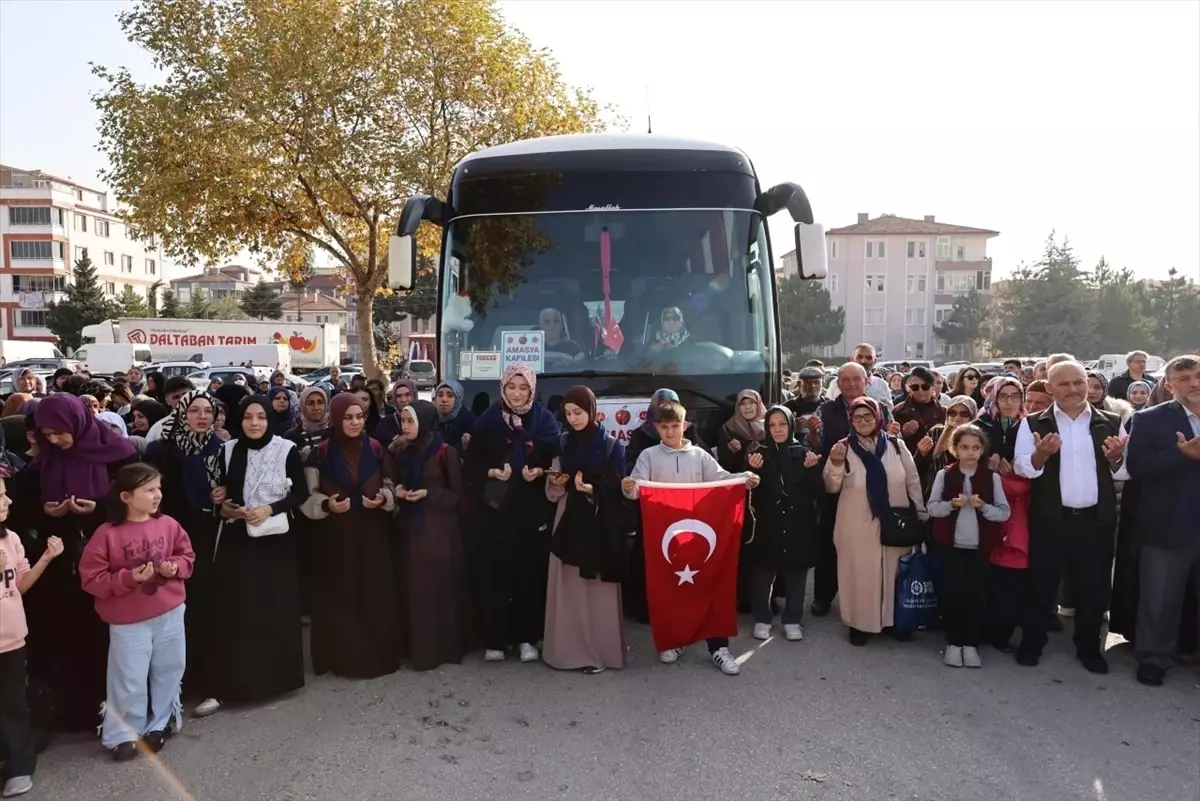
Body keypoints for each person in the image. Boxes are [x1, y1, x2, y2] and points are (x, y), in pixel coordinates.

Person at [14, 395, 139, 731]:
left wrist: (98, 509)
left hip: (110, 561)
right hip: (62, 566)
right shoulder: (43, 463)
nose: (53, 440)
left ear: (77, 423)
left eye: (59, 432)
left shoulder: (119, 455)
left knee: (109, 635)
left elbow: (142, 502)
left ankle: (120, 709)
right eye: (47, 434)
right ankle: (73, 710)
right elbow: (17, 507)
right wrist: (45, 512)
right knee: (67, 634)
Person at [621, 399, 759, 675]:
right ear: (656, 427)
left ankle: (718, 647)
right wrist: (628, 487)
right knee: (671, 589)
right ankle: (676, 639)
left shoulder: (699, 455)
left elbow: (722, 479)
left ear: (685, 426)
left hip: (699, 531)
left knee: (711, 585)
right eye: (665, 427)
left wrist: (743, 477)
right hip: (665, 534)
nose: (670, 432)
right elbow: (636, 490)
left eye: (675, 426)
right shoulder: (648, 456)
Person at [1013, 360, 1128, 673]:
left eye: (1079, 382)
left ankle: (1089, 648)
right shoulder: (1035, 422)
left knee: (1093, 588)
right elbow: (1024, 467)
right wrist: (1041, 455)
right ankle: (1032, 643)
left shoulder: (1111, 420)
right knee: (1041, 586)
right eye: (1064, 384)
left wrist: (1116, 459)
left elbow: (1125, 471)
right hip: (1051, 520)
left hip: (1095, 522)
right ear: (1050, 389)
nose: (1074, 389)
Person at [79, 464, 195, 761]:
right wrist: (130, 578)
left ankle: (162, 723)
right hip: (128, 620)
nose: (157, 495)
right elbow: (91, 578)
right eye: (149, 490)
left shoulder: (168, 524)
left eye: (158, 488)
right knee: (128, 676)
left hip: (169, 611)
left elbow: (187, 556)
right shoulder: (106, 534)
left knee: (170, 667)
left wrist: (175, 567)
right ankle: (122, 734)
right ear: (126, 496)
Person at [205, 395, 308, 715]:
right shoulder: (227, 450)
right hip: (238, 538)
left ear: (269, 419)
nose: (254, 423)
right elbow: (222, 494)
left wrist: (269, 509)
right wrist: (222, 505)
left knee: (273, 609)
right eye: (248, 416)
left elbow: (301, 493)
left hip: (274, 540)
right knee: (235, 611)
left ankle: (276, 680)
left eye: (261, 417)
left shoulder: (285, 450)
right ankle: (231, 685)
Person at [301, 393, 401, 679]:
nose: (355, 422)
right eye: (348, 417)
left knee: (373, 593)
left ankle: (377, 655)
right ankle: (339, 656)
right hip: (335, 537)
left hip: (372, 535)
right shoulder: (318, 453)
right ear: (336, 418)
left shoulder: (376, 448)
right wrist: (327, 505)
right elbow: (309, 495)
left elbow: (390, 483)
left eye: (359, 416)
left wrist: (383, 498)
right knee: (340, 594)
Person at [463, 364, 559, 663]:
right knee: (495, 574)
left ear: (532, 390)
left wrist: (539, 473)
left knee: (528, 576)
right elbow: (470, 466)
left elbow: (557, 464)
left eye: (523, 388)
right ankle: (496, 638)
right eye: (511, 387)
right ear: (502, 388)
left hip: (531, 511)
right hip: (495, 512)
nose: (517, 394)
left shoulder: (544, 421)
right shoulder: (489, 420)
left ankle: (527, 638)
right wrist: (491, 471)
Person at [822, 397, 927, 646]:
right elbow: (831, 486)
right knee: (861, 575)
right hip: (856, 524)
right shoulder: (842, 448)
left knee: (895, 573)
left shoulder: (896, 446)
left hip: (895, 521)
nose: (863, 422)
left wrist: (921, 514)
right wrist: (836, 464)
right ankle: (861, 624)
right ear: (851, 420)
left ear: (878, 417)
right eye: (857, 417)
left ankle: (896, 622)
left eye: (868, 416)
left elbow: (912, 481)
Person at [143, 391, 223, 706]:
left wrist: (224, 494)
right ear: (181, 413)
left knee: (204, 610)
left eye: (208, 411)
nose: (202, 417)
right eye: (195, 411)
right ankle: (171, 686)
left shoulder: (222, 449)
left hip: (207, 538)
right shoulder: (162, 450)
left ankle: (204, 682)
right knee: (169, 613)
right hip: (168, 540)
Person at [1126, 355, 1200, 686]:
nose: (1194, 383)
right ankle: (1155, 657)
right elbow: (1138, 468)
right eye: (1184, 378)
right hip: (1170, 524)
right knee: (1160, 598)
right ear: (1170, 386)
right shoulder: (1150, 420)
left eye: (1198, 376)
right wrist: (1180, 456)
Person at [543, 387, 627, 673]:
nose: (573, 419)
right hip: (568, 518)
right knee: (567, 586)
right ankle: (567, 652)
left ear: (591, 410)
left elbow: (618, 484)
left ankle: (601, 653)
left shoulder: (611, 445)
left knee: (597, 589)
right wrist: (556, 481)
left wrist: (593, 489)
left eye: (578, 412)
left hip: (598, 521)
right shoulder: (563, 441)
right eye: (568, 414)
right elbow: (556, 478)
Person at [807, 363, 899, 618]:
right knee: (830, 542)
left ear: (866, 381)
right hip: (836, 487)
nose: (849, 385)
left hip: (873, 488)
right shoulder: (825, 410)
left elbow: (892, 443)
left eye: (855, 379)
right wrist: (814, 434)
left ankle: (871, 598)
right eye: (844, 380)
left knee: (870, 545)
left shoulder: (881, 409)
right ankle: (824, 596)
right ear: (837, 382)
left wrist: (896, 433)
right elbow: (814, 445)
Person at [392, 400, 470, 672]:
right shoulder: (403, 450)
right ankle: (415, 649)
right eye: (403, 421)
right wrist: (400, 489)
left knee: (436, 592)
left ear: (425, 422)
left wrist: (428, 494)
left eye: (411, 421)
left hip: (438, 533)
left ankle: (440, 650)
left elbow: (457, 495)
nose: (406, 427)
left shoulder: (444, 452)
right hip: (410, 531)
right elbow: (395, 478)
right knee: (413, 591)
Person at [927, 425, 1011, 668]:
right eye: (964, 447)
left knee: (977, 596)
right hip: (950, 546)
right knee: (952, 594)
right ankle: (954, 643)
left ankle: (971, 644)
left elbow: (1004, 513)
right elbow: (932, 508)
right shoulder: (945, 475)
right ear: (955, 449)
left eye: (975, 447)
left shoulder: (991, 477)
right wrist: (951, 505)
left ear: (983, 449)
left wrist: (983, 507)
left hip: (980, 548)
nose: (970, 452)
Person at [0, 477, 62, 798]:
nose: (7, 501)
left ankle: (19, 767)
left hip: (11, 640)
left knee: (13, 705)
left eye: (5, 494)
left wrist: (47, 558)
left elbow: (20, 586)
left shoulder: (10, 539)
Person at [623, 387, 705, 623]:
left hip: (685, 514)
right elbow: (633, 471)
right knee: (650, 561)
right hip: (654, 514)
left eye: (671, 406)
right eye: (661, 408)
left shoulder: (691, 436)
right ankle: (647, 610)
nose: (669, 430)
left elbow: (712, 470)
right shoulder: (642, 438)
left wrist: (742, 478)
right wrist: (634, 485)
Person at [744, 406, 822, 642]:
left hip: (799, 523)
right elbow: (748, 495)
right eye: (772, 425)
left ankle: (793, 618)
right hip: (767, 523)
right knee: (763, 571)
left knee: (796, 572)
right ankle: (762, 618)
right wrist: (751, 471)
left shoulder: (804, 453)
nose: (777, 430)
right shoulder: (758, 454)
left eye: (783, 424)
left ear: (791, 426)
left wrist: (811, 471)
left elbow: (817, 492)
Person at [893, 367, 946, 455]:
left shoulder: (944, 412)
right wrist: (902, 433)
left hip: (936, 463)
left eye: (925, 387)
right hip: (908, 461)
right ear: (909, 387)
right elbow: (890, 441)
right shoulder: (898, 411)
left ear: (933, 387)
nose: (920, 391)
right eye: (915, 387)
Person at [717, 389, 767, 472]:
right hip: (739, 478)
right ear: (738, 407)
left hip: (766, 479)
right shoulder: (728, 429)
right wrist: (730, 451)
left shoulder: (770, 425)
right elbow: (723, 465)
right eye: (743, 404)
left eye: (752, 402)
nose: (747, 407)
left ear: (758, 404)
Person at [433, 380, 476, 455]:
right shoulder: (431, 420)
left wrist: (466, 447)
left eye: (450, 396)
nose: (444, 399)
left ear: (457, 399)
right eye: (440, 395)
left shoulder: (469, 422)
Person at [375, 380, 417, 453]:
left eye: (407, 395)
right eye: (399, 396)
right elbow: (379, 454)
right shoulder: (385, 424)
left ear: (414, 395)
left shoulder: (423, 420)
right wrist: (393, 445)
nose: (403, 400)